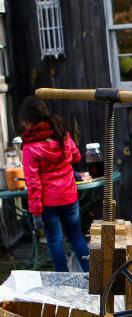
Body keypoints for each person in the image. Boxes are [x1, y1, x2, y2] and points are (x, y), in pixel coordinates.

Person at [19, 96, 90, 272]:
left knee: (55, 241)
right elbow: (76, 156)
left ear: (28, 121)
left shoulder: (30, 148)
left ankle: (63, 281)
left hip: (48, 203)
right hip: (69, 197)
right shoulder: (61, 134)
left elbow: (33, 183)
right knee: (76, 237)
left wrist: (36, 213)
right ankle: (94, 276)